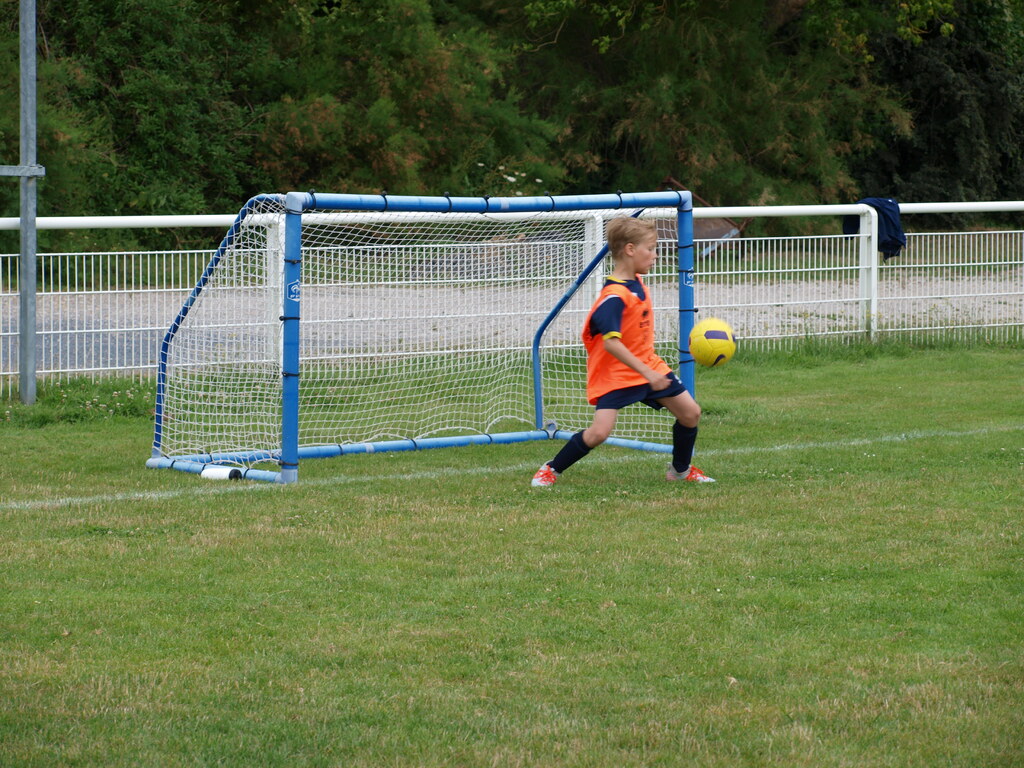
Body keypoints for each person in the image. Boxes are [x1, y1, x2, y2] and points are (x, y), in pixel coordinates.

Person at [531, 215, 714, 487]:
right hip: (616, 374)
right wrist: (648, 373)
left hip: (648, 365)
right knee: (599, 433)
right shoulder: (613, 297)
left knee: (690, 413)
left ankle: (680, 470)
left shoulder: (636, 281)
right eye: (650, 248)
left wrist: (650, 370)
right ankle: (551, 469)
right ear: (630, 249)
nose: (655, 255)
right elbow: (611, 343)